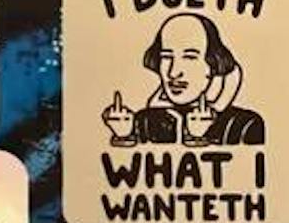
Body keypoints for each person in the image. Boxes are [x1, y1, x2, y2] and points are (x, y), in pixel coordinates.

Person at [102, 12, 264, 147]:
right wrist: (124, 136)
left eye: (189, 57)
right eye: (166, 56)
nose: (173, 72)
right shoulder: (142, 123)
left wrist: (199, 138)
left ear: (213, 63)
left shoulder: (243, 126)